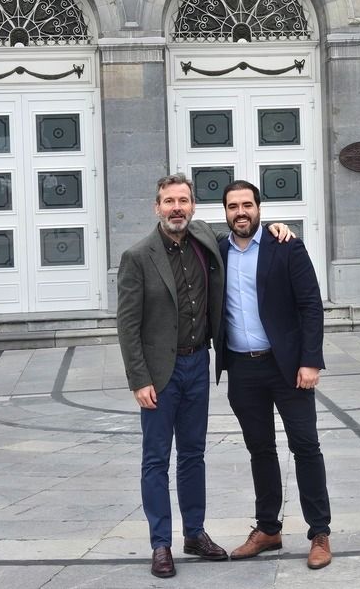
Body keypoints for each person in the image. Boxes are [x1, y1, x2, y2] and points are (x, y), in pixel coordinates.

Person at [116, 173, 292, 579]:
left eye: (183, 200)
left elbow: (248, 231)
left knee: (193, 455)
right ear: (156, 207)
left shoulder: (204, 240)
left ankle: (194, 534)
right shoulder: (138, 256)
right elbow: (127, 325)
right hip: (160, 372)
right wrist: (138, 379)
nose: (176, 208)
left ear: (193, 207)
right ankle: (161, 543)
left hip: (199, 364)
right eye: (168, 201)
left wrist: (281, 228)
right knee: (156, 459)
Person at [217, 179, 333, 570]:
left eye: (247, 205)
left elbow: (310, 305)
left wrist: (310, 360)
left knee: (305, 446)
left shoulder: (285, 246)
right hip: (242, 367)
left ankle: (319, 532)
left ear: (259, 209)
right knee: (260, 450)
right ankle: (268, 528)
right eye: (233, 206)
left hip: (287, 367)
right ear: (226, 213)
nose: (241, 212)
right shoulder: (217, 251)